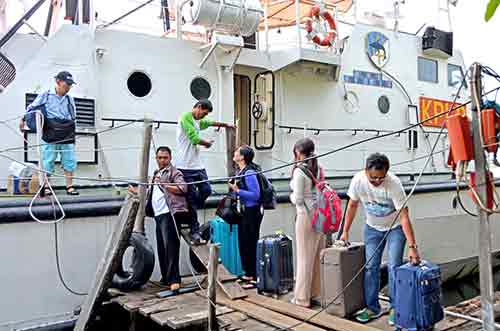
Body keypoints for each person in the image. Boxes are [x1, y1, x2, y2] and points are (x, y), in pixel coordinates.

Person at [340, 153, 421, 324]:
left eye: (381, 178)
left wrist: (413, 246)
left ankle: (395, 308)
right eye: (373, 178)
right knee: (370, 267)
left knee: (394, 266)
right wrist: (345, 231)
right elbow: (352, 205)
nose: (377, 181)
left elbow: (404, 216)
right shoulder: (358, 181)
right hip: (372, 229)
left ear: (387, 172)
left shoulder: (394, 184)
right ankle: (373, 308)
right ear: (366, 171)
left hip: (395, 229)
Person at [130, 146, 190, 291]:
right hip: (158, 215)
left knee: (171, 247)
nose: (162, 160)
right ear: (156, 158)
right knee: (162, 248)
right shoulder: (156, 172)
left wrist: (164, 183)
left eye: (165, 157)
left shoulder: (174, 172)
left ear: (170, 158)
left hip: (170, 214)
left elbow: (183, 188)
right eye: (160, 157)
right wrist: (136, 191)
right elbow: (151, 191)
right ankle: (166, 278)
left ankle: (175, 279)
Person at [176, 99, 235, 244]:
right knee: (190, 199)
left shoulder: (198, 120)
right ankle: (194, 230)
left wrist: (225, 125)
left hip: (197, 165)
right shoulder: (186, 117)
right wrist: (207, 143)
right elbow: (194, 138)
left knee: (206, 190)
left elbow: (209, 123)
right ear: (199, 107)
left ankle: (190, 208)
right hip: (184, 166)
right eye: (204, 113)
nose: (204, 116)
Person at [19, 71, 78, 196]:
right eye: (66, 84)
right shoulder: (46, 95)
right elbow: (31, 108)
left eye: (70, 85)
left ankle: (70, 186)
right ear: (58, 82)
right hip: (51, 129)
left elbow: (73, 116)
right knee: (48, 160)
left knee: (70, 159)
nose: (68, 87)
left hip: (67, 131)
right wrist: (23, 120)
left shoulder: (70, 99)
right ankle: (46, 186)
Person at [289, 138, 325, 308]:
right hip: (319, 215)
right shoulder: (318, 168)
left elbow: (297, 199)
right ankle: (315, 293)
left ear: (297, 151)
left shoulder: (299, 171)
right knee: (316, 256)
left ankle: (302, 299)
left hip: (305, 217)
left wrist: (289, 197)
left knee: (303, 258)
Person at [228, 145, 262, 287]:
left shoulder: (249, 173)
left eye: (237, 152)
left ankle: (254, 276)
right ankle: (248, 273)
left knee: (251, 242)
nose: (234, 153)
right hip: (244, 211)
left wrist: (237, 190)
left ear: (242, 157)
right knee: (243, 242)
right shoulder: (240, 171)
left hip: (252, 211)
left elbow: (255, 195)